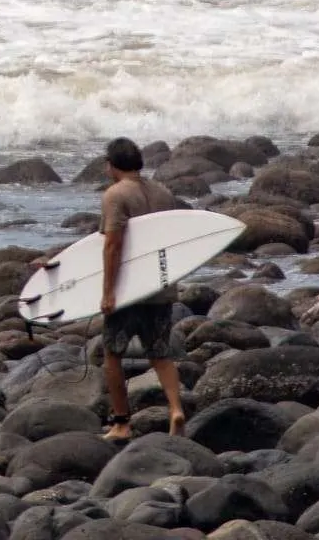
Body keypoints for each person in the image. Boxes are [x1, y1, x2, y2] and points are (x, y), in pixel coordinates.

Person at [97, 136, 183, 443]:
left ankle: (122, 423)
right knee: (160, 353)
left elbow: (112, 245)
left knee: (112, 354)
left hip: (129, 289)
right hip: (160, 284)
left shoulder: (115, 195)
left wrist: (108, 292)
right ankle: (175, 409)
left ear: (111, 165)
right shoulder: (164, 192)